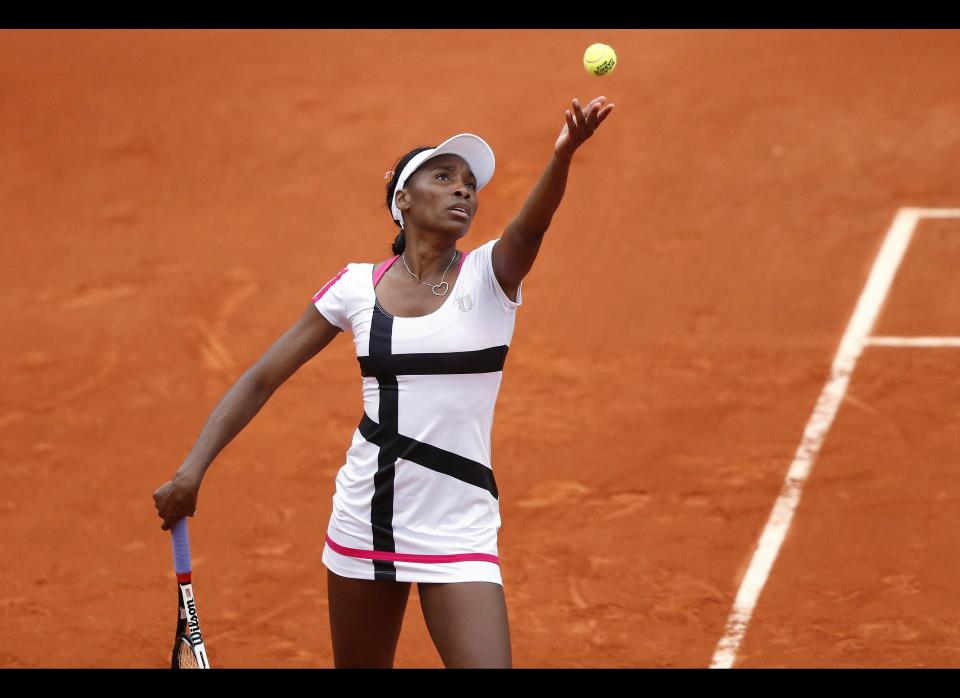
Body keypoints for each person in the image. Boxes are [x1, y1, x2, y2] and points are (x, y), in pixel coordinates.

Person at [153, 95, 615, 668]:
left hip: (458, 525)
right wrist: (190, 470)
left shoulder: (490, 276)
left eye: (470, 184)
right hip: (364, 519)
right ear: (402, 200)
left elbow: (532, 225)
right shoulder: (353, 287)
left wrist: (563, 156)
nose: (463, 191)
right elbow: (261, 378)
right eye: (443, 177)